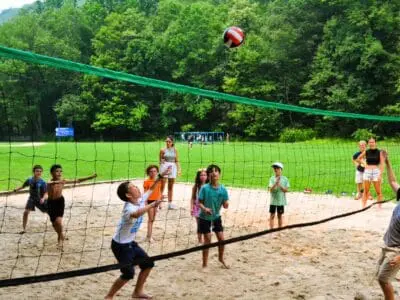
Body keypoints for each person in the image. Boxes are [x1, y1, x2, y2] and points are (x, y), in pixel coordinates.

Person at [104, 170, 168, 300]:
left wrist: (160, 176)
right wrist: (153, 204)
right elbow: (137, 213)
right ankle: (109, 296)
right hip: (120, 246)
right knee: (128, 273)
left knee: (148, 264)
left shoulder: (139, 200)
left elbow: (151, 189)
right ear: (128, 195)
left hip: (130, 243)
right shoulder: (129, 208)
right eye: (132, 187)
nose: (136, 187)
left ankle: (137, 292)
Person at [47, 164, 97, 247]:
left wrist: (90, 177)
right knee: (54, 224)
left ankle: (59, 238)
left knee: (58, 222)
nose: (59, 173)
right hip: (50, 203)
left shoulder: (63, 181)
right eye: (57, 171)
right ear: (52, 173)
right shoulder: (50, 181)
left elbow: (77, 180)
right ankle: (61, 234)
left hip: (59, 202)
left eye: (60, 171)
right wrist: (58, 181)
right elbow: (49, 182)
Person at [376, 150, 400, 300]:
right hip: (388, 245)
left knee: (383, 279)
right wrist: (387, 162)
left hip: (396, 250)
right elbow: (393, 182)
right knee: (381, 276)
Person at [198, 164, 229, 268]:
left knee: (221, 239)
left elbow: (225, 204)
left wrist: (226, 204)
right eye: (211, 171)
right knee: (207, 240)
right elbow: (199, 203)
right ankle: (204, 264)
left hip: (216, 217)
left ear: (219, 174)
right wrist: (205, 209)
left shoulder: (223, 189)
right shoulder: (204, 188)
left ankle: (221, 258)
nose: (214, 173)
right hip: (204, 217)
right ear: (208, 175)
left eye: (216, 171)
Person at [12, 165, 48, 234]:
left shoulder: (43, 182)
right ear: (33, 172)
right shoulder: (29, 180)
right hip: (31, 199)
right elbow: (23, 186)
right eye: (37, 171)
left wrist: (43, 199)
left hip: (40, 200)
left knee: (47, 212)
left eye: (40, 171)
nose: (39, 173)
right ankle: (24, 229)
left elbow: (46, 193)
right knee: (25, 212)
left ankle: (55, 222)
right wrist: (16, 190)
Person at [357, 137, 384, 208]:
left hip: (376, 172)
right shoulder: (366, 151)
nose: (371, 143)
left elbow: (382, 164)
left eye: (373, 142)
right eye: (370, 142)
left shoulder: (379, 152)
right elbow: (358, 158)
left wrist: (380, 175)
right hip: (367, 172)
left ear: (375, 143)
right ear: (368, 143)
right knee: (366, 190)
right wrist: (365, 164)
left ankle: (379, 206)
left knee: (378, 191)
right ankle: (363, 206)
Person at [159, 135, 181, 210]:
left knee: (170, 186)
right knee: (162, 186)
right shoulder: (162, 150)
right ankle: (159, 203)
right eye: (166, 141)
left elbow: (177, 160)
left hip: (173, 167)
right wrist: (162, 165)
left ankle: (170, 204)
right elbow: (160, 161)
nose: (167, 142)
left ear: (172, 142)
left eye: (169, 141)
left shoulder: (175, 150)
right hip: (165, 167)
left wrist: (179, 169)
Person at [143, 165, 162, 243]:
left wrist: (160, 202)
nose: (153, 173)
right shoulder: (146, 182)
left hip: (156, 202)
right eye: (151, 171)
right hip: (150, 202)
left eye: (154, 171)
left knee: (153, 219)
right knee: (150, 219)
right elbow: (145, 193)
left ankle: (149, 235)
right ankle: (149, 237)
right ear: (148, 173)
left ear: (157, 172)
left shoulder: (158, 181)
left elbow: (159, 192)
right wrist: (146, 203)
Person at [268, 162, 290, 229]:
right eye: (274, 168)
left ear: (281, 169)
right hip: (273, 201)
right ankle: (271, 229)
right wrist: (275, 183)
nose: (275, 169)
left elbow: (286, 190)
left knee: (279, 215)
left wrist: (279, 185)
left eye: (277, 168)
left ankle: (279, 229)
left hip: (280, 201)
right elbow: (270, 190)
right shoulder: (272, 178)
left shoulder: (285, 179)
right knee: (272, 215)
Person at [191, 168, 208, 244]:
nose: (203, 176)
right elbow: (193, 198)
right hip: (197, 207)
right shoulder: (196, 186)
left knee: (207, 224)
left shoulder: (209, 186)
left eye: (205, 175)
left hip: (207, 207)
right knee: (199, 225)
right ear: (198, 176)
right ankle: (200, 241)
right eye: (201, 175)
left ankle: (206, 240)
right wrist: (191, 208)